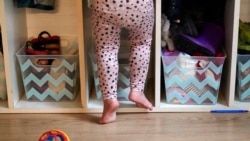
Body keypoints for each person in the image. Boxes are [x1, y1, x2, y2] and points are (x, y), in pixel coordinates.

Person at [91, 0, 155, 124]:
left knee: (106, 49)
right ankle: (137, 91)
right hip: (140, 5)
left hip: (105, 6)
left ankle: (110, 100)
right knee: (141, 44)